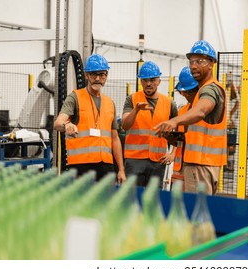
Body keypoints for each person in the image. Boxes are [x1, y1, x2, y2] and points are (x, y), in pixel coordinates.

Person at [155, 40, 227, 195]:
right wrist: (172, 138)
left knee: (195, 214)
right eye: (191, 61)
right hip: (200, 164)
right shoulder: (200, 94)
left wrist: (174, 121)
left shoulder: (210, 89)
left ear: (211, 63)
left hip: (200, 165)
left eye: (199, 61)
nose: (194, 65)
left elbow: (202, 110)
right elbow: (195, 135)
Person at [54, 54, 126, 183]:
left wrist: (121, 169)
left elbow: (115, 139)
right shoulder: (75, 97)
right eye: (93, 74)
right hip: (80, 167)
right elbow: (58, 123)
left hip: (105, 166)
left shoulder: (110, 103)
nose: (98, 78)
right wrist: (66, 125)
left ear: (106, 76)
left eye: (102, 74)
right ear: (86, 75)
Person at [121, 61, 178, 187]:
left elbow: (180, 130)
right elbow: (125, 125)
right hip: (134, 160)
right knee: (133, 198)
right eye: (145, 80)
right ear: (140, 81)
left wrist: (173, 153)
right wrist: (135, 110)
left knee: (153, 199)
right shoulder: (132, 99)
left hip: (158, 161)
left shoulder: (169, 104)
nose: (148, 84)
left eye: (152, 80)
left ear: (159, 81)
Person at [169, 67, 199, 190]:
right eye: (183, 92)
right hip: (179, 168)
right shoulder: (182, 111)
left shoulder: (204, 111)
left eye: (188, 92)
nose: (185, 95)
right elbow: (179, 141)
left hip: (197, 167)